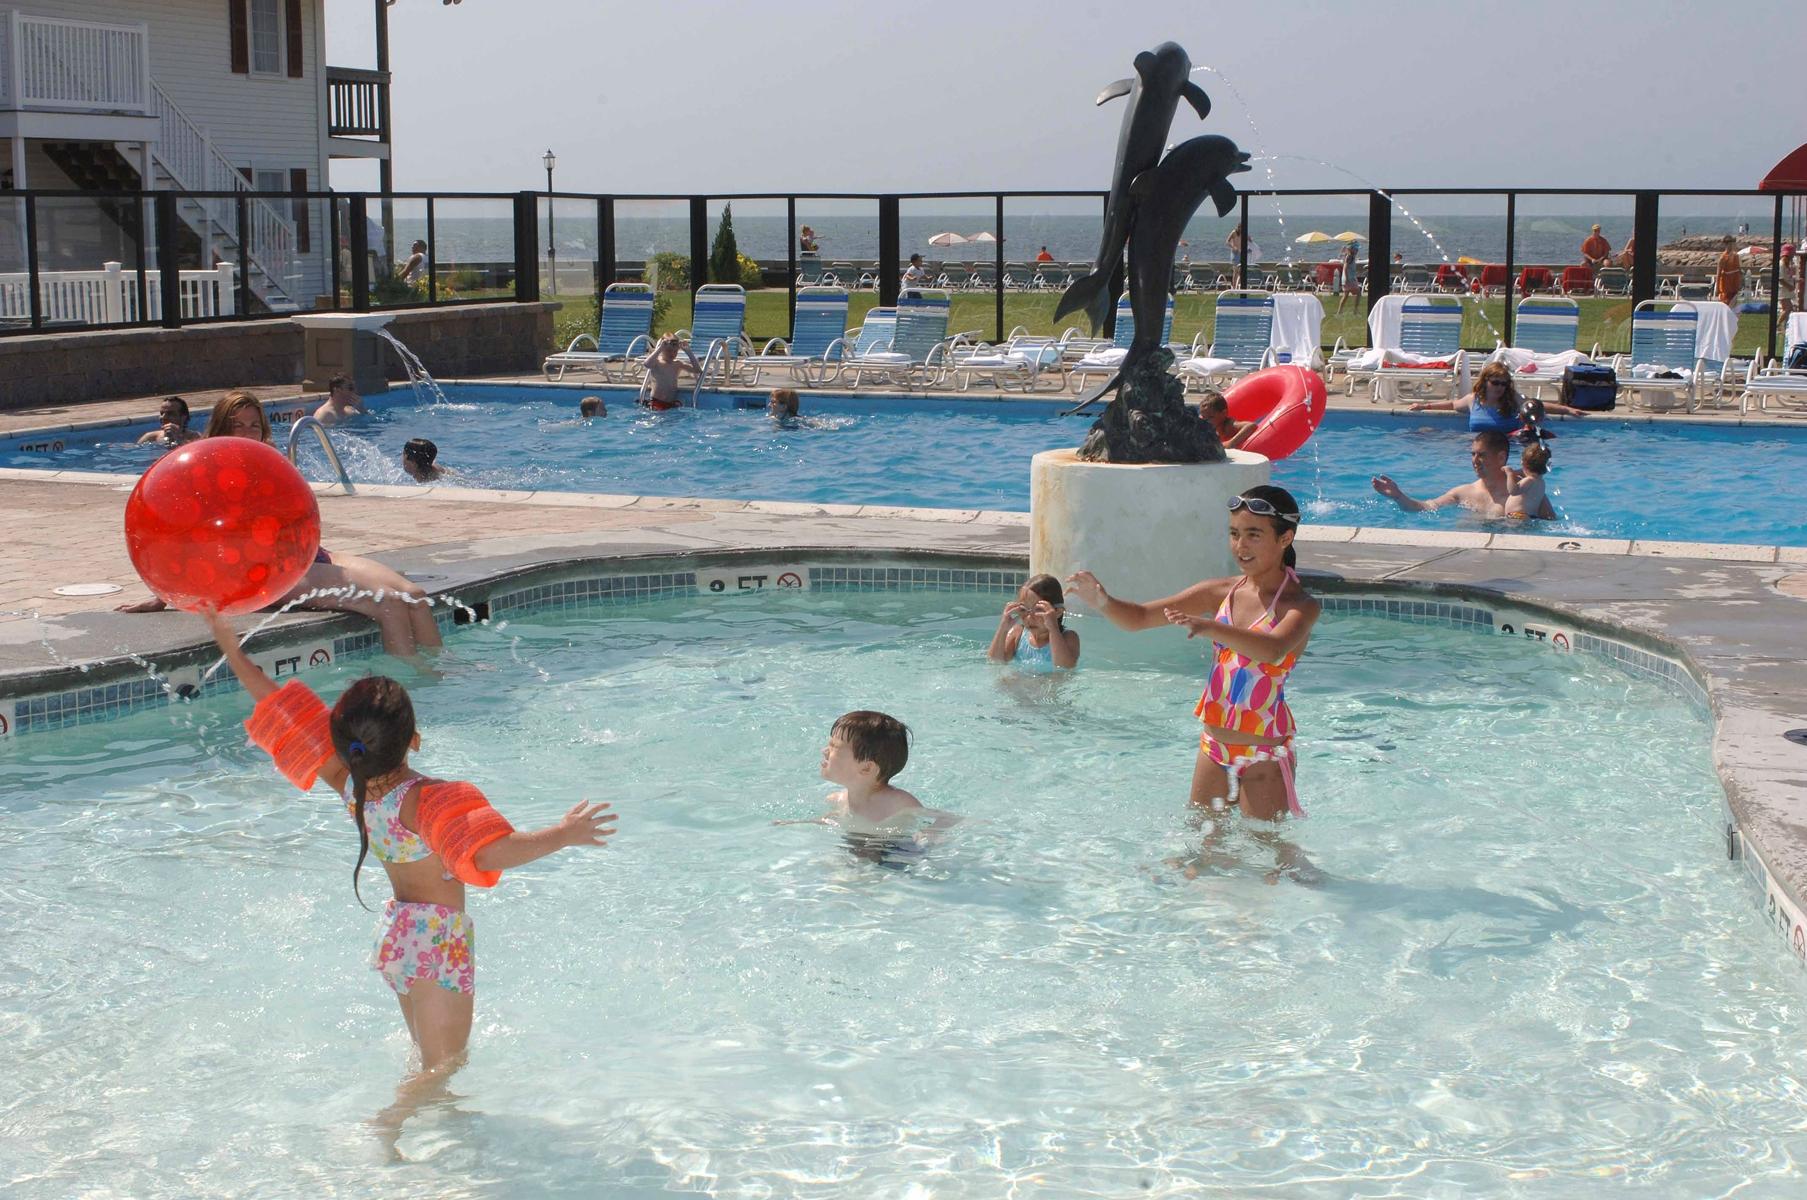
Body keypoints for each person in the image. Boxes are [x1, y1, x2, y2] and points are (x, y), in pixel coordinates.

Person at [200, 611, 615, 1131]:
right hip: (437, 939)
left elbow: (276, 703)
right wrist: (565, 834)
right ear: (413, 738)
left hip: (399, 934)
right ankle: (389, 1124)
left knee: (426, 1057)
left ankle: (434, 1137)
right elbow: (485, 854)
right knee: (444, 1067)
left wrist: (229, 645)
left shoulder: (349, 785)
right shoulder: (423, 801)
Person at [117, 392, 447, 657]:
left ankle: (443, 682)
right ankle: (411, 695)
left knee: (414, 595)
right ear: (220, 429)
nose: (248, 433)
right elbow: (179, 538)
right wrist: (164, 595)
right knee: (388, 603)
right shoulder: (206, 477)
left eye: (254, 425)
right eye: (238, 425)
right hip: (267, 575)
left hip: (307, 555)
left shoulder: (268, 467)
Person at [1065, 486, 1319, 824]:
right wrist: (1102, 601)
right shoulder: (1218, 592)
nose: (1240, 546)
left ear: (1285, 538)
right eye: (1234, 534)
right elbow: (1140, 617)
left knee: (1270, 863)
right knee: (1198, 851)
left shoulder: (1301, 605)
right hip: (1213, 747)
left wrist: (1210, 628)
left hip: (1265, 753)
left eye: (1253, 535)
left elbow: (1272, 650)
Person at [1371, 428, 1554, 520]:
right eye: (1473, 454)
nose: (1475, 460)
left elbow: (1551, 526)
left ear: (1501, 457)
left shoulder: (1525, 492)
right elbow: (1425, 507)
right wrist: (1398, 496)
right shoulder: (1463, 493)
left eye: (1481, 455)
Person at [1406, 362, 1590, 432]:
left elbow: (1536, 405)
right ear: (1485, 381)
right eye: (1496, 383)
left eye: (1504, 384)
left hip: (1508, 448)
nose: (1500, 388)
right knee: (1426, 432)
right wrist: (1425, 406)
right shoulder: (1474, 399)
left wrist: (1566, 409)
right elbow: (1453, 404)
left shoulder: (1513, 399)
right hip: (1480, 451)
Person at [985, 574, 1080, 671]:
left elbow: (1064, 667)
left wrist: (1053, 629)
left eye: (1039, 609)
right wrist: (1003, 628)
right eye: (1023, 609)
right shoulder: (1017, 634)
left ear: (1058, 612)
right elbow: (995, 661)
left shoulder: (1068, 637)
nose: (1029, 617)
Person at [638, 334, 702, 411]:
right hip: (656, 402)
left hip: (671, 403)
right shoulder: (657, 363)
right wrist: (659, 349)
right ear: (662, 349)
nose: (672, 354)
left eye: (675, 351)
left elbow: (698, 370)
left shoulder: (678, 364)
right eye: (668, 351)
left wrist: (688, 352)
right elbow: (646, 364)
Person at [1504, 441, 1551, 520]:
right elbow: (1523, 471)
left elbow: (1513, 491)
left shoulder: (1529, 480)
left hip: (1518, 515)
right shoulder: (1540, 482)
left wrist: (1509, 474)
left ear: (1523, 463)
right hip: (1531, 516)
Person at [136, 395, 201, 446]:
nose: (164, 417)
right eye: (161, 413)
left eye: (170, 414)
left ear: (183, 418)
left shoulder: (195, 437)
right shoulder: (150, 438)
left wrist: (177, 439)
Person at [1715, 235, 1744, 306]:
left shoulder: (1736, 256)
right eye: (1729, 244)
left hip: (1735, 283)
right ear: (1726, 244)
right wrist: (1717, 289)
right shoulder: (1723, 258)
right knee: (1726, 304)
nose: (1731, 246)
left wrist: (1741, 280)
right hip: (1726, 284)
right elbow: (1718, 274)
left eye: (1732, 243)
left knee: (1734, 305)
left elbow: (1738, 269)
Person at [1335, 240, 1362, 315]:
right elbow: (1345, 268)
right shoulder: (1350, 257)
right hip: (1349, 279)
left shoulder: (1350, 256)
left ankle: (1339, 312)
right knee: (1358, 294)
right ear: (1352, 249)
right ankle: (1355, 311)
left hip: (1347, 279)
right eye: (1356, 248)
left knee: (1345, 295)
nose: (1357, 250)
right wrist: (1347, 279)